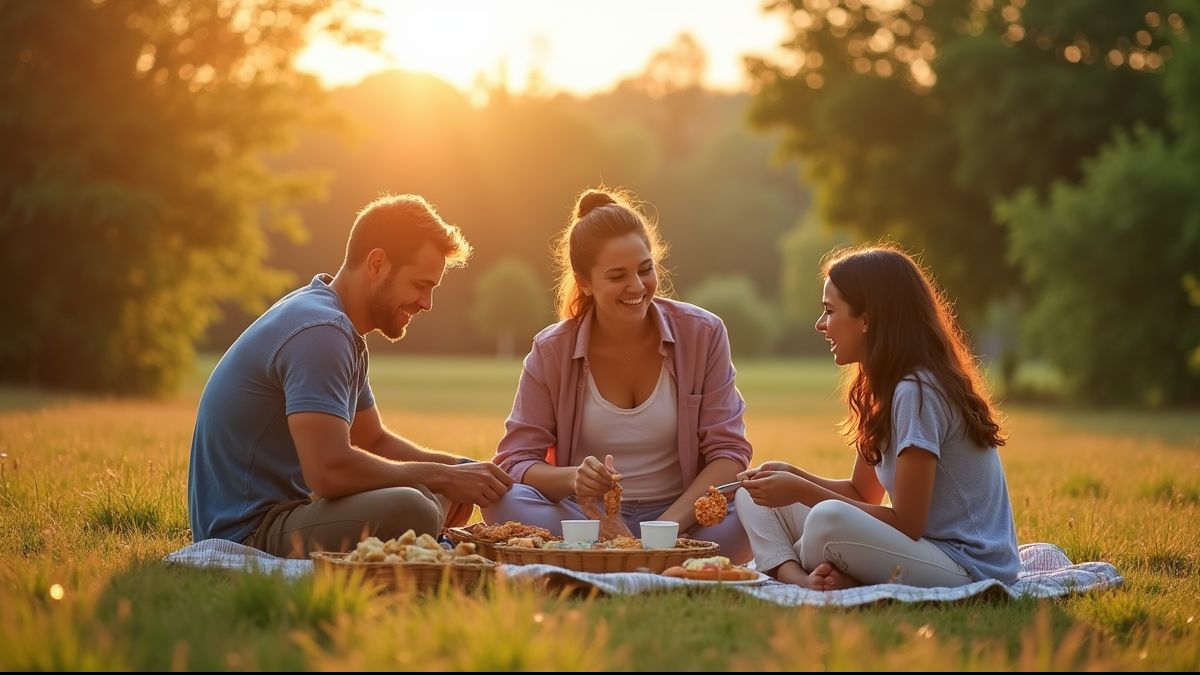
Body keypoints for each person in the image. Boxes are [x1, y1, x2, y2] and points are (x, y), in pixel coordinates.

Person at [187, 194, 513, 558]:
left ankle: (434, 516)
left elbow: (373, 440)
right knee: (415, 505)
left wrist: (464, 469)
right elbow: (327, 472)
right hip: (250, 529)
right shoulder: (322, 332)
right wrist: (443, 478)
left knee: (429, 490)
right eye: (421, 285)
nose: (426, 303)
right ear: (377, 264)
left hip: (291, 510)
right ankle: (431, 526)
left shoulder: (334, 323)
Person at [485, 188, 753, 562]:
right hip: (585, 517)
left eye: (646, 269)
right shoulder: (552, 349)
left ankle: (609, 558)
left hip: (684, 520)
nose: (637, 287)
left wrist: (664, 530)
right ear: (585, 283)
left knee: (758, 502)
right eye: (617, 276)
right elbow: (515, 460)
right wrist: (573, 478)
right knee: (503, 500)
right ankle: (636, 556)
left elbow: (730, 453)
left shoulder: (703, 332)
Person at [734, 245, 1019, 589]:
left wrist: (799, 490)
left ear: (867, 319)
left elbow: (908, 522)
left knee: (826, 521)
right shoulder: (884, 387)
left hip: (966, 565)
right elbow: (860, 492)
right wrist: (791, 475)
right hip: (919, 550)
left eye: (829, 311)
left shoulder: (918, 391)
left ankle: (822, 570)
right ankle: (802, 578)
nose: (820, 324)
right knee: (751, 492)